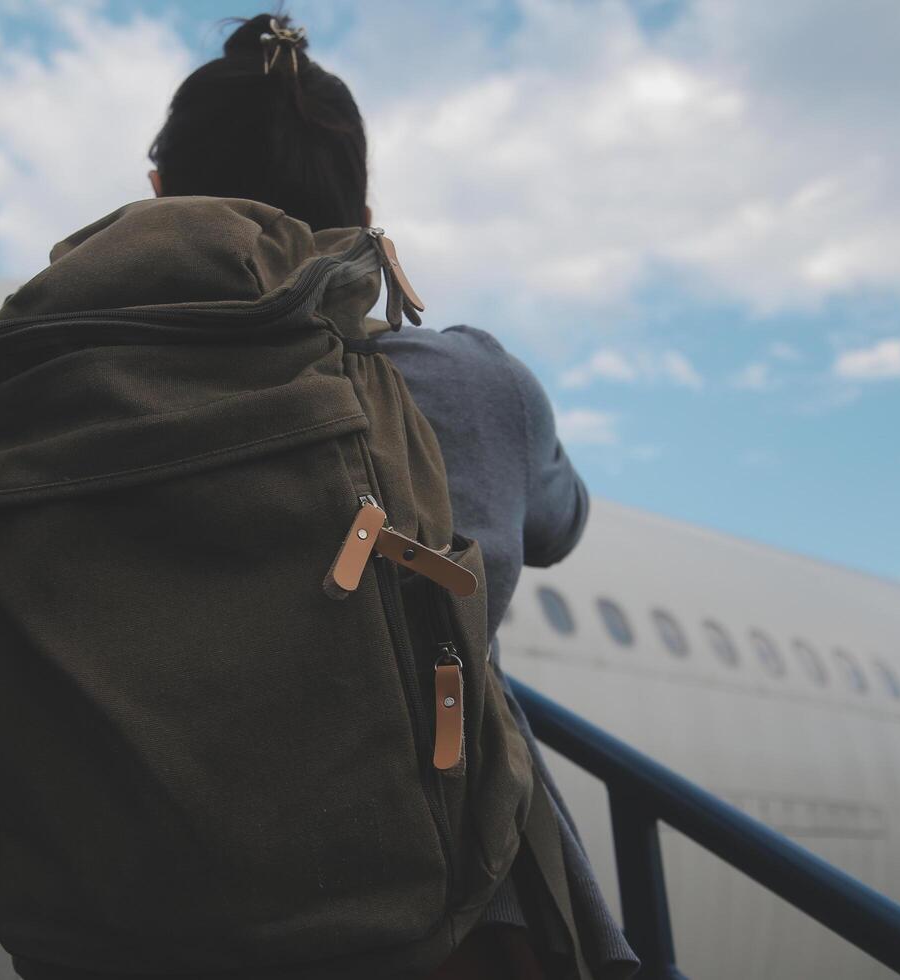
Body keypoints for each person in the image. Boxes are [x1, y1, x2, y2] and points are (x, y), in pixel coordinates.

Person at [142, 13, 637, 979]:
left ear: (159, 197)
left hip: (146, 908)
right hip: (438, 910)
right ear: (363, 212)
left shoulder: (77, 396)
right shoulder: (474, 382)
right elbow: (559, 523)